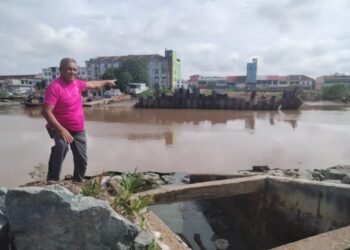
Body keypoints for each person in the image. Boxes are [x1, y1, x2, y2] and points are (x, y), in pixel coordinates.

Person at [42, 58, 116, 182]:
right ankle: (52, 180)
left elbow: (93, 84)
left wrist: (107, 81)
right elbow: (46, 112)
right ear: (61, 70)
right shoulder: (54, 87)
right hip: (59, 127)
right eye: (69, 69)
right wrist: (61, 130)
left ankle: (78, 182)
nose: (72, 72)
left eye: (75, 69)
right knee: (61, 147)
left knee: (82, 158)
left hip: (78, 129)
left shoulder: (77, 84)